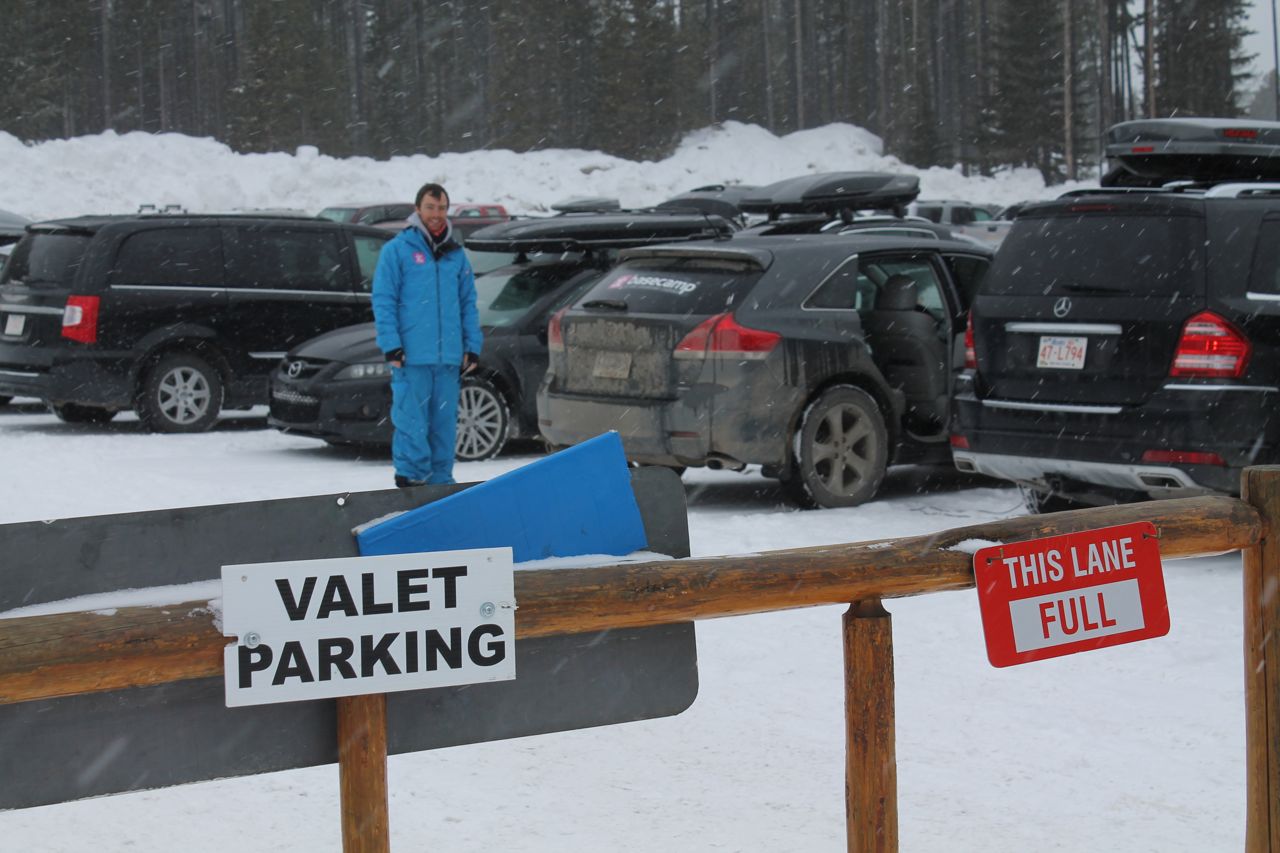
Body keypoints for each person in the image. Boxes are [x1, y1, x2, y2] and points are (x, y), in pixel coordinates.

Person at [371, 182, 482, 487]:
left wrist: (472, 346)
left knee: (443, 429)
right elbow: (384, 300)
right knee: (411, 426)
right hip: (411, 358)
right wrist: (391, 345)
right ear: (418, 209)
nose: (436, 214)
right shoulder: (397, 250)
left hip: (447, 360)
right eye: (430, 208)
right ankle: (411, 485)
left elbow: (467, 303)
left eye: (442, 208)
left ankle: (441, 489)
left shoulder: (455, 255)